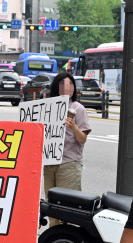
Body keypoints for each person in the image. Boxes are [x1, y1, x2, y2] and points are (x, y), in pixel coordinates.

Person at [44, 72, 91, 206]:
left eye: (70, 84)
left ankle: (67, 228)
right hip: (49, 163)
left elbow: (82, 139)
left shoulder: (78, 108)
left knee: (68, 207)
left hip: (69, 163)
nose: (67, 88)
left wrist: (74, 127)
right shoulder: (48, 107)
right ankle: (55, 228)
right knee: (50, 205)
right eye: (63, 85)